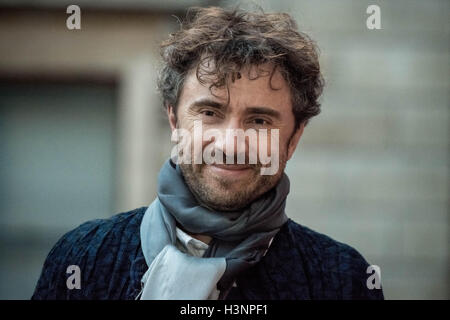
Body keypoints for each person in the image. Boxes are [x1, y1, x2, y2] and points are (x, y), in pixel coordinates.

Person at [32, 6, 384, 300]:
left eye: (259, 120)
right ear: (174, 120)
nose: (230, 144)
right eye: (209, 113)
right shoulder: (81, 260)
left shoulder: (344, 281)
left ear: (293, 139)